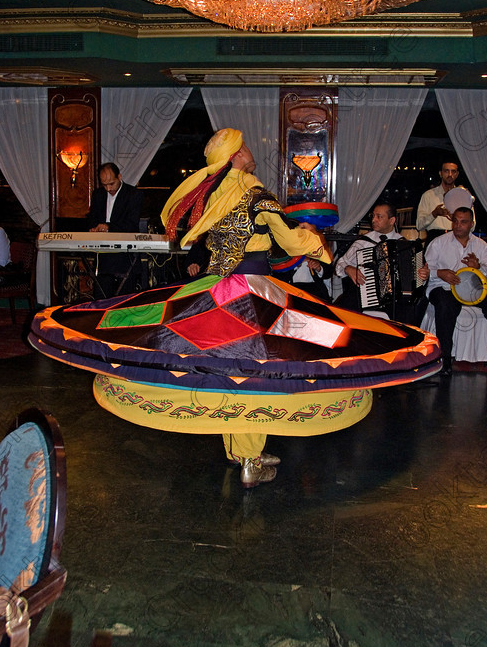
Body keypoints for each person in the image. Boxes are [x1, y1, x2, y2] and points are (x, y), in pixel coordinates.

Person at [30, 130, 441, 491]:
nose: (249, 152)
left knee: (227, 363)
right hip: (254, 292)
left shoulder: (216, 196)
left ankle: (238, 449)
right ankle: (249, 460)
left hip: (217, 288)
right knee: (262, 366)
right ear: (234, 157)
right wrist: (318, 246)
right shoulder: (259, 197)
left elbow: (217, 244)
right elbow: (290, 242)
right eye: (243, 148)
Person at [425, 206, 487, 375]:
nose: (458, 225)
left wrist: (479, 266)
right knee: (446, 305)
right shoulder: (439, 243)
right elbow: (423, 272)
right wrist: (440, 273)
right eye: (455, 221)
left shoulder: (481, 246)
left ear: (471, 225)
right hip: (443, 287)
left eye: (463, 222)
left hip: (473, 289)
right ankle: (445, 357)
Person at [334, 201, 402, 313]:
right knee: (343, 308)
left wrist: (423, 274)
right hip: (364, 292)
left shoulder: (402, 243)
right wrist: (348, 269)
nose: (374, 220)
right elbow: (340, 263)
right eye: (373, 216)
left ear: (392, 221)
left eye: (379, 217)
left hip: (394, 299)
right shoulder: (363, 241)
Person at [87, 162, 143, 298]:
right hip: (104, 256)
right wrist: (93, 228)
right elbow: (91, 218)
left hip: (125, 256)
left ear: (119, 177)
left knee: (124, 300)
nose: (108, 188)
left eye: (111, 183)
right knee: (102, 298)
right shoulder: (98, 195)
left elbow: (132, 224)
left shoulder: (133, 194)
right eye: (104, 184)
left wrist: (109, 227)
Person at [417, 160, 473, 246]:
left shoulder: (463, 195)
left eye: (453, 171)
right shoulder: (428, 196)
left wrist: (456, 219)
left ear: (457, 174)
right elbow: (419, 225)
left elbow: (473, 225)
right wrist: (434, 214)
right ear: (440, 173)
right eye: (446, 171)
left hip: (457, 239)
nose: (450, 175)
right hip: (434, 239)